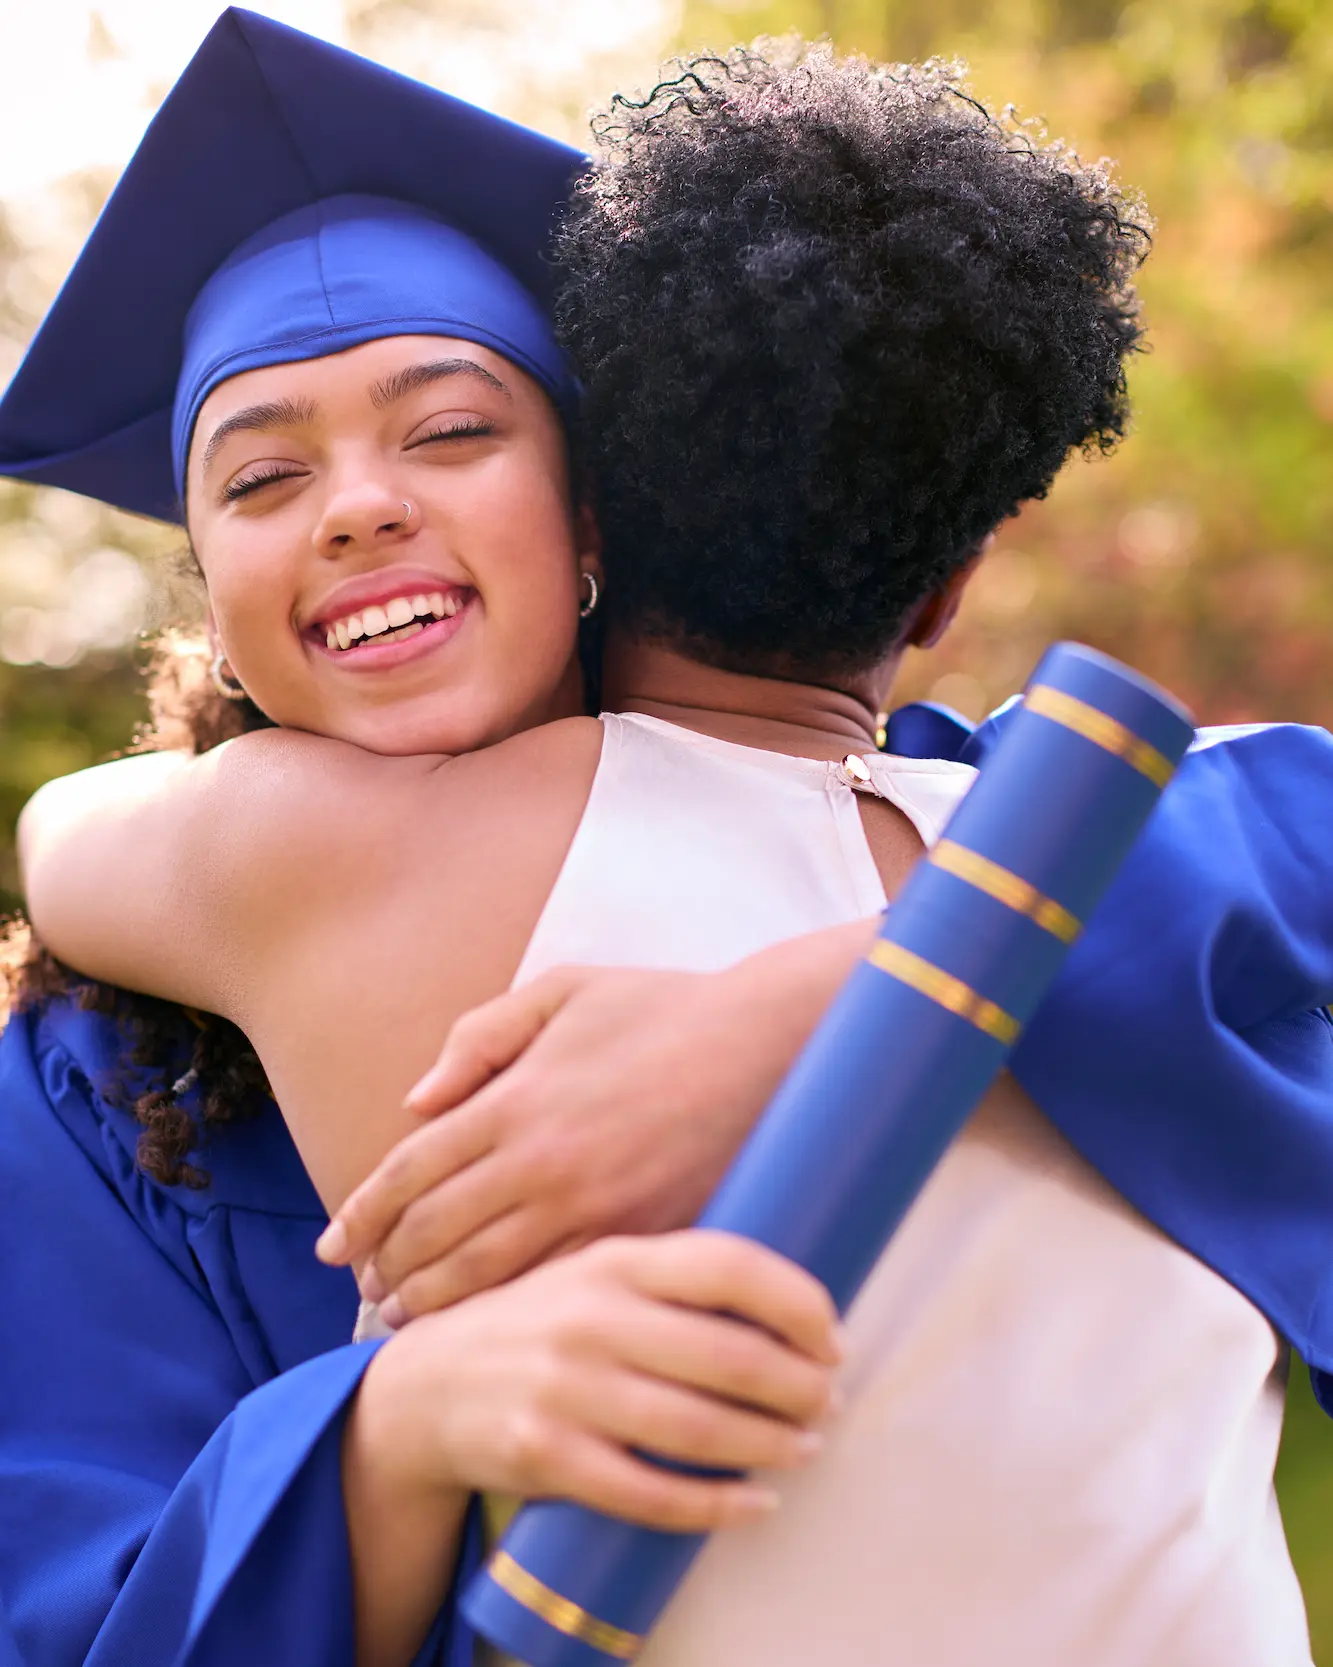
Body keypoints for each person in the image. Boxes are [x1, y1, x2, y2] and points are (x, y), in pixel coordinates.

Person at [11, 23, 1333, 1667]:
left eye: (450, 430)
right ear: (202, 577)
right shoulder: (96, 1066)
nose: (356, 506)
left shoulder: (967, 810)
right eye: (263, 472)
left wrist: (829, 1006)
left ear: (595, 520)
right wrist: (396, 1431)